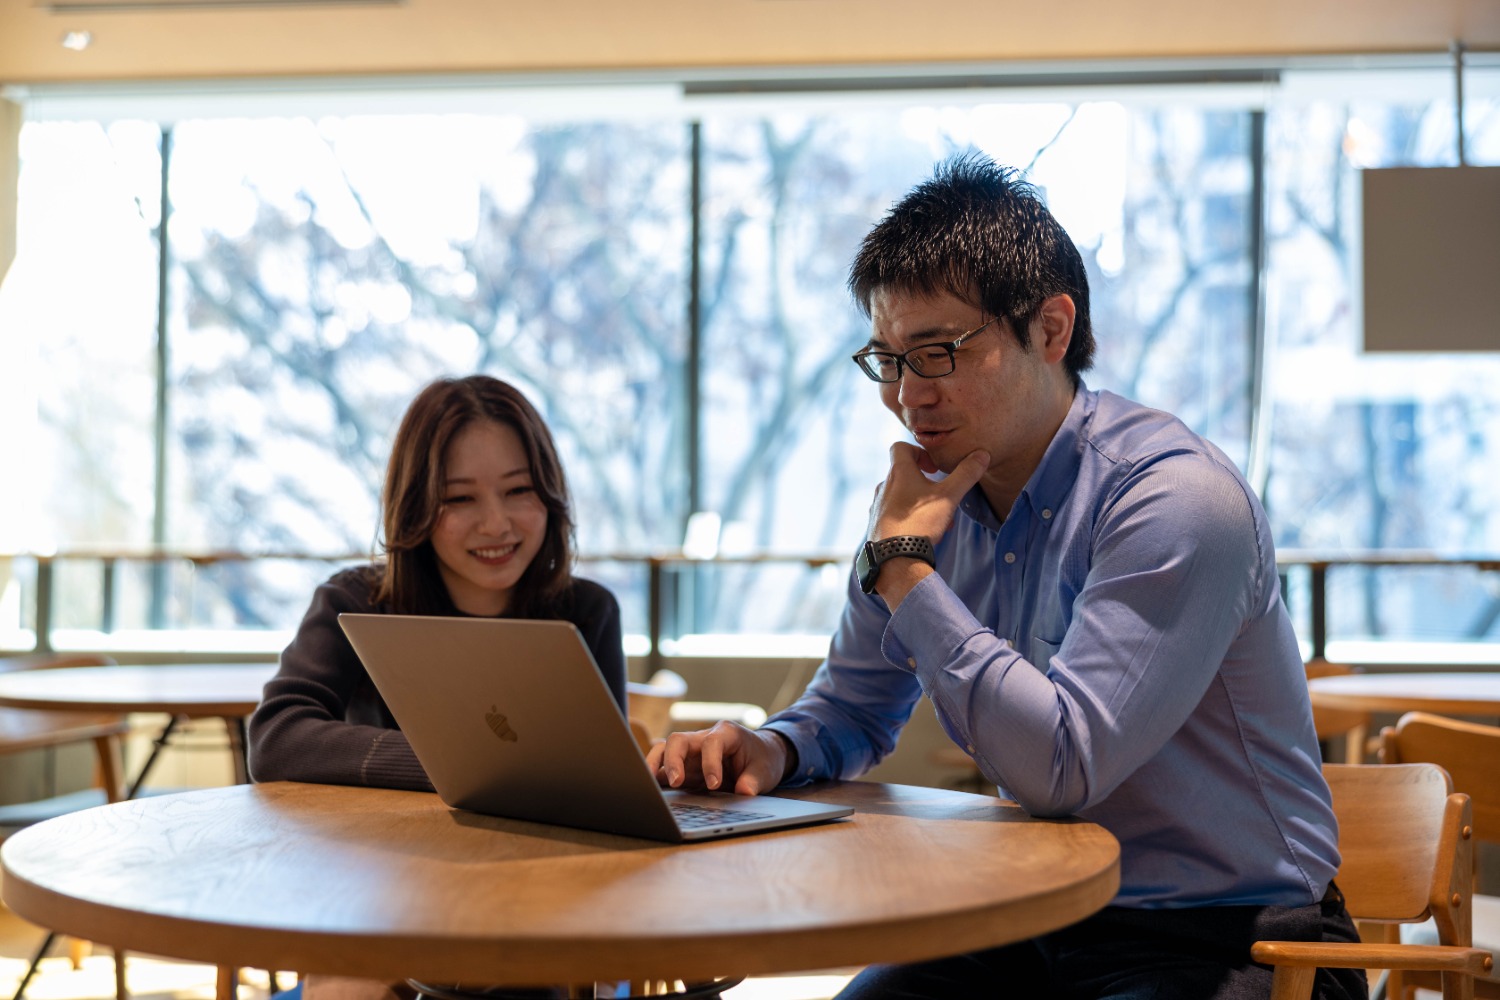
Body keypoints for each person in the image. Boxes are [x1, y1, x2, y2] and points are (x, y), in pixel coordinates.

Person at [649, 154, 1365, 1000]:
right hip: (1027, 910)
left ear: (1052, 329)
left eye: (939, 352)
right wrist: (767, 750)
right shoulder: (926, 507)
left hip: (1235, 938)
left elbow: (1063, 767)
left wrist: (905, 572)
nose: (908, 396)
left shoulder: (1176, 501)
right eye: (887, 360)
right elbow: (850, 709)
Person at [249, 374, 626, 791]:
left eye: (519, 489)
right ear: (415, 507)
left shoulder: (588, 611)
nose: (496, 524)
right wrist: (461, 765)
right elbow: (276, 739)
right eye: (460, 498)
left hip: (543, 853)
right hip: (392, 849)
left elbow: (608, 779)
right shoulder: (356, 602)